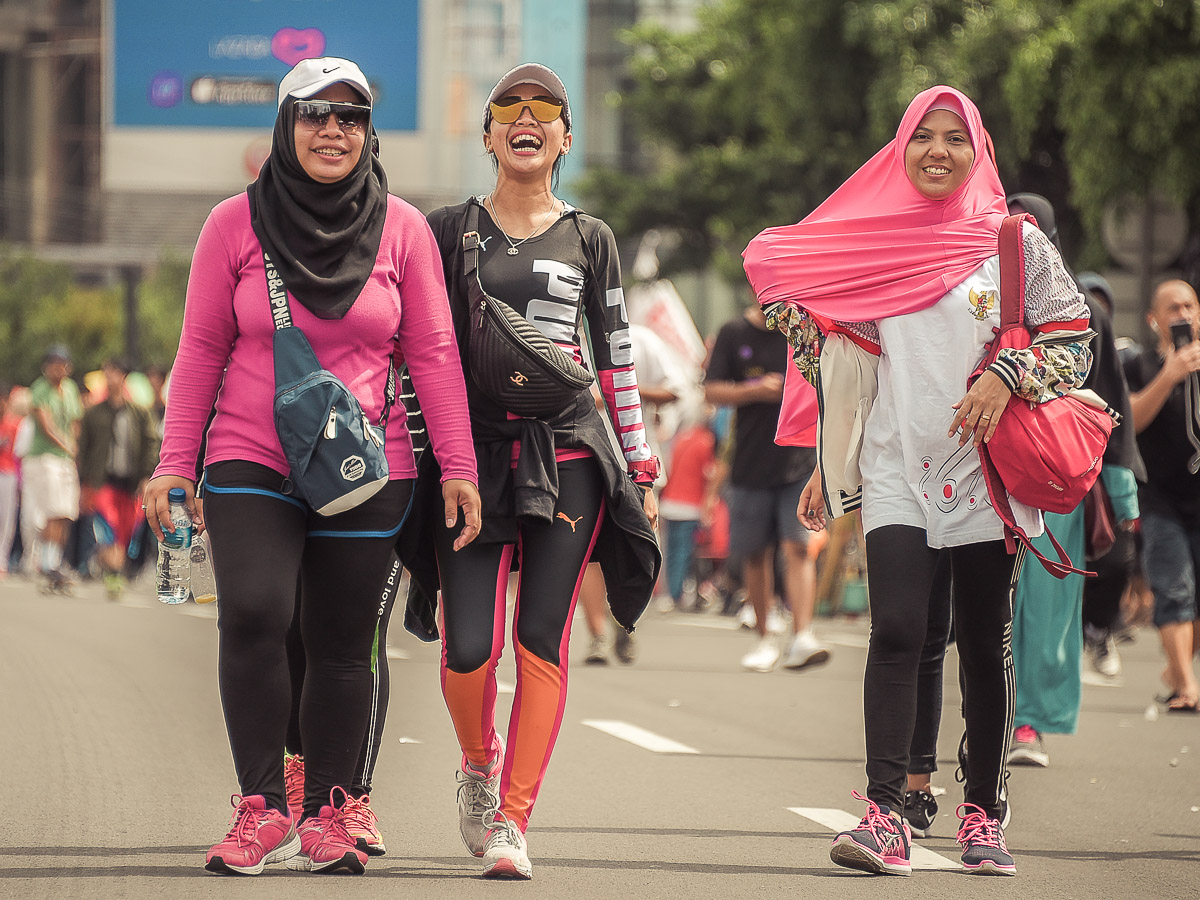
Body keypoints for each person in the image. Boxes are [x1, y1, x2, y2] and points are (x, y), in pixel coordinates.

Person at [743, 85, 1093, 876]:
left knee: (982, 645)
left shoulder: (1014, 243)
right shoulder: (873, 244)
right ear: (899, 150)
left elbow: (1075, 341)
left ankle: (983, 814)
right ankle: (886, 814)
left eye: (954, 138)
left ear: (979, 152)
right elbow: (844, 365)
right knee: (898, 631)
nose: (938, 151)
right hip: (896, 468)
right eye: (922, 136)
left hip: (987, 474)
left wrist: (1011, 371)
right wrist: (825, 454)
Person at [143, 57, 480, 876]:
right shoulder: (233, 224)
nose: (333, 130)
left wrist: (460, 466)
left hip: (367, 467)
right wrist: (172, 463)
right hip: (248, 455)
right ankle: (261, 810)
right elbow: (199, 351)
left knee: (339, 640)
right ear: (285, 128)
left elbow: (433, 353)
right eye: (314, 114)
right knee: (254, 611)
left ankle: (330, 811)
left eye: (352, 116)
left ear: (368, 132)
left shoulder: (401, 228)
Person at [401, 62, 661, 880]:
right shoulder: (446, 230)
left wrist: (642, 467)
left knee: (539, 638)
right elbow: (422, 353)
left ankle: (514, 820)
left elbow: (615, 362)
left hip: (572, 452)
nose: (526, 118)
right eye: (508, 108)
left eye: (544, 110)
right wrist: (423, 453)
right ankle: (478, 763)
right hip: (468, 460)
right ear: (487, 136)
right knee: (468, 647)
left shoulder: (592, 238)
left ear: (564, 138)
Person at [1003, 194, 1141, 768]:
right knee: (988, 603)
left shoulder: (1081, 307)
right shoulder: (977, 294)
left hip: (1057, 475)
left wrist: (1123, 492)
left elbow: (1111, 405)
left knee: (1049, 603)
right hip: (980, 470)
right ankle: (990, 717)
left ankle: (1030, 721)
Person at [705, 305, 830, 672]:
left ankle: (802, 636)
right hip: (749, 462)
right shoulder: (733, 331)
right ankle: (764, 638)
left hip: (800, 463)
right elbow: (711, 391)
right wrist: (754, 390)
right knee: (755, 553)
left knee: (799, 547)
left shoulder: (804, 327)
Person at [1123, 279, 1200, 713]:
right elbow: (1129, 422)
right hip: (1161, 501)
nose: (1182, 314)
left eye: (1189, 306)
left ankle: (1176, 671)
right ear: (1154, 319)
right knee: (1173, 590)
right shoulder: (1140, 365)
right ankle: (1187, 687)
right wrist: (1170, 374)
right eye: (1172, 308)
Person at [76, 359, 159, 599]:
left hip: (130, 482)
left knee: (124, 532)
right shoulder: (93, 413)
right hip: (102, 481)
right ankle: (113, 571)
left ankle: (114, 572)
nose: (110, 377)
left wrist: (146, 475)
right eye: (106, 372)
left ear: (123, 376)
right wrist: (84, 484)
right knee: (108, 527)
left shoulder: (140, 413)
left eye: (114, 372)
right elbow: (84, 449)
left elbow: (150, 444)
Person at [24, 346, 83, 591]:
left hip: (65, 457)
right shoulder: (39, 390)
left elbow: (75, 421)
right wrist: (69, 446)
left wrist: (74, 446)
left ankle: (56, 560)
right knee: (51, 509)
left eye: (62, 363)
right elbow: (47, 426)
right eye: (54, 363)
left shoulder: (69, 390)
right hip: (46, 456)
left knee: (65, 511)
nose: (58, 368)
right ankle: (47, 562)